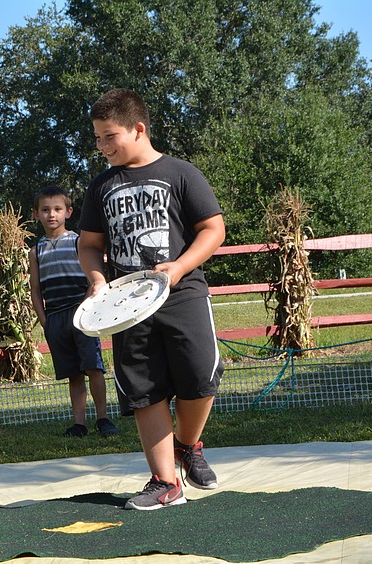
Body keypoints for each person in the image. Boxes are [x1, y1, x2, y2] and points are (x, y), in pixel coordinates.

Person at [78, 88, 226, 511]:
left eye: (110, 136)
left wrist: (178, 268)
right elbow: (89, 244)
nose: (103, 146)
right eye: (98, 139)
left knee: (200, 376)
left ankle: (188, 444)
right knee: (144, 390)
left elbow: (213, 229)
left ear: (138, 129)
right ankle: (164, 482)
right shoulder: (101, 186)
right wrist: (97, 279)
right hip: (127, 306)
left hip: (183, 295)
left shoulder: (181, 173)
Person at [28, 186, 119, 438]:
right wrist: (45, 322)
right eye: (45, 210)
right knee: (73, 374)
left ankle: (103, 418)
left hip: (82, 315)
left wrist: (87, 308)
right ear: (36, 214)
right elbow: (35, 290)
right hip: (56, 317)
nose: (51, 215)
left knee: (93, 368)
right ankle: (79, 423)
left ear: (68, 211)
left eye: (57, 209)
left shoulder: (79, 242)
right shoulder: (36, 251)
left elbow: (94, 279)